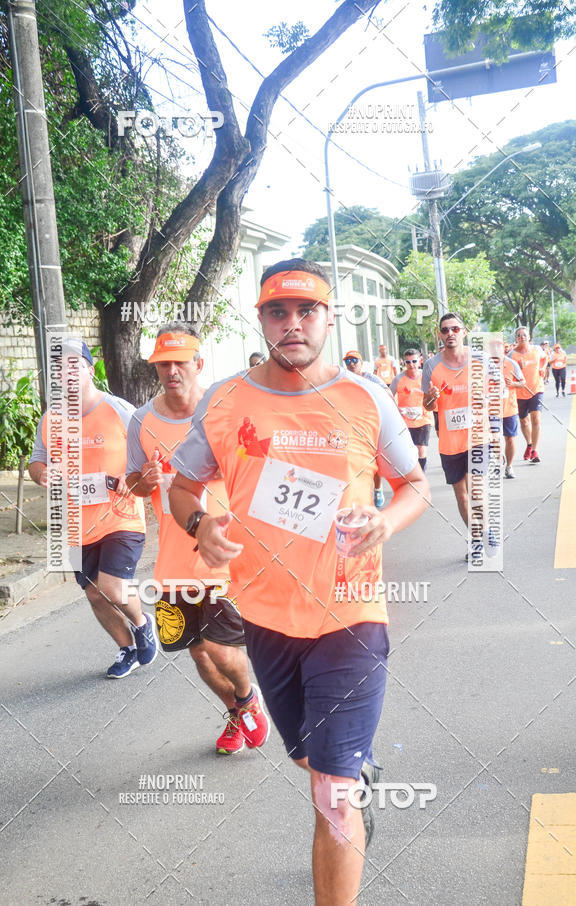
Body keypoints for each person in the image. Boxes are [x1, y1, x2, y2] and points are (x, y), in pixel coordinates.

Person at [169, 258, 429, 906]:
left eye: (306, 310)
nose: (293, 324)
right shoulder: (226, 399)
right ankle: (350, 772)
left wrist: (385, 522)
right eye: (278, 311)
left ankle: (347, 786)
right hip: (265, 618)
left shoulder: (365, 397)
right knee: (310, 763)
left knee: (332, 797)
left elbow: (415, 486)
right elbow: (180, 487)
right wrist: (200, 524)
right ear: (261, 320)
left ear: (328, 317)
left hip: (351, 618)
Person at [126, 325, 269, 754]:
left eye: (179, 362)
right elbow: (132, 485)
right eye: (163, 364)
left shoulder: (224, 409)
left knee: (220, 648)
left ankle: (248, 700)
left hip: (224, 555)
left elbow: (258, 468)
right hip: (172, 564)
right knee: (198, 655)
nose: (171, 371)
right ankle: (237, 714)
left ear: (198, 364)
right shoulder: (141, 420)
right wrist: (143, 480)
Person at [29, 337, 157, 678]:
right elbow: (36, 463)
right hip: (76, 523)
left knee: (112, 588)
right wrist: (43, 474)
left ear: (89, 369)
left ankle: (143, 623)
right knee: (96, 596)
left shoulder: (119, 410)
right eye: (59, 368)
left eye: (74, 365)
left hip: (122, 518)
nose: (67, 373)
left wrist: (134, 480)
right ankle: (126, 648)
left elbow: (147, 454)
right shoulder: (51, 419)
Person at [422, 312, 492, 559]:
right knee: (461, 495)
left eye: (454, 329)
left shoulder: (480, 360)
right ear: (440, 335)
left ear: (463, 331)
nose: (449, 333)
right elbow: (428, 406)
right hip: (449, 442)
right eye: (445, 330)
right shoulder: (431, 366)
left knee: (476, 489)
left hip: (478, 436)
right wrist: (431, 397)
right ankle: (477, 536)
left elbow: (498, 389)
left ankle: (481, 532)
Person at [342, 350, 389, 507]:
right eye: (348, 361)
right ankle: (359, 493)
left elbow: (388, 393)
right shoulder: (343, 379)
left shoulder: (371, 378)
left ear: (361, 363)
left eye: (355, 360)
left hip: (371, 422)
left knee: (374, 458)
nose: (352, 364)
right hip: (351, 424)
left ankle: (377, 488)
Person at [390, 349, 433, 472]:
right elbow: (388, 396)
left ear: (420, 361)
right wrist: (396, 410)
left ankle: (421, 477)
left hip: (423, 420)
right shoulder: (398, 379)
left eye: (414, 361)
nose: (411, 365)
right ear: (404, 363)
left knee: (421, 449)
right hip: (405, 422)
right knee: (409, 451)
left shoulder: (427, 377)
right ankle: (412, 475)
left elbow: (434, 395)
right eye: (408, 362)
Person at [488, 338, 525, 479]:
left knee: (510, 438)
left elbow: (523, 382)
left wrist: (513, 384)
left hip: (509, 409)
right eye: (493, 347)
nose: (496, 350)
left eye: (499, 347)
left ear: (504, 348)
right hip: (492, 409)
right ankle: (499, 458)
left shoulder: (512, 364)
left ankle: (509, 467)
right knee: (494, 439)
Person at [508, 327, 546, 463]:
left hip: (536, 389)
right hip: (519, 392)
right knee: (524, 421)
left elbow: (545, 358)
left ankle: (535, 451)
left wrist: (542, 368)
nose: (522, 337)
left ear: (529, 336)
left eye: (524, 335)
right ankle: (529, 444)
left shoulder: (537, 350)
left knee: (536, 419)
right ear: (516, 338)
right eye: (519, 335)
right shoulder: (512, 355)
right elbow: (507, 371)